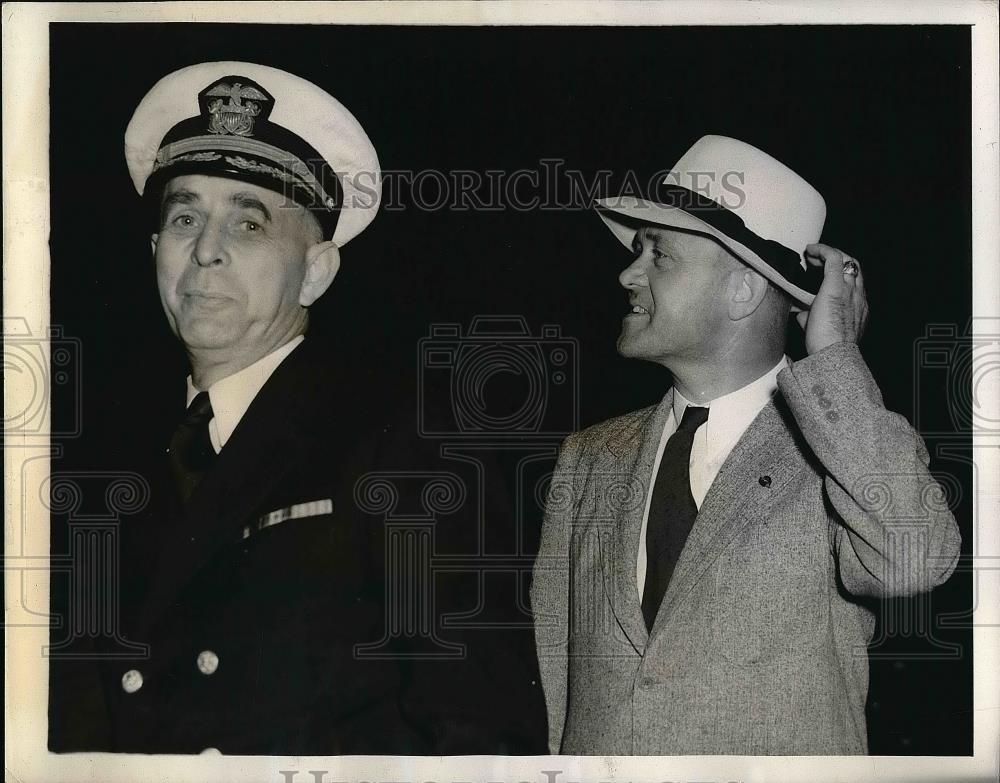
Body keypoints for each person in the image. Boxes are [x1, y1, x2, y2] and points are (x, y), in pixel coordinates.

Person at [48, 61, 545, 755]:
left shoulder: (401, 445)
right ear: (156, 249)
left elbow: (479, 734)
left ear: (316, 270)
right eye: (185, 215)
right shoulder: (98, 457)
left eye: (248, 224)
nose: (207, 252)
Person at [530, 135, 961, 755]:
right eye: (636, 252)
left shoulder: (841, 450)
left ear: (745, 289)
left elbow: (914, 558)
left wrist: (836, 356)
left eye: (660, 255)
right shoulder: (589, 457)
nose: (628, 273)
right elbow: (561, 683)